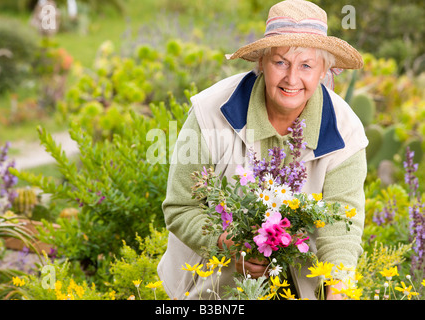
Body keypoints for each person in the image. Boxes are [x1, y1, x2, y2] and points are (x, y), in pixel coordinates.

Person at [157, 0, 367, 300]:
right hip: (213, 289)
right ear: (262, 63)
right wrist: (228, 243)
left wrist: (337, 292)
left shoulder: (346, 131)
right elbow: (181, 206)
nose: (292, 79)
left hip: (301, 288)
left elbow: (341, 229)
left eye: (306, 65)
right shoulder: (210, 112)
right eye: (281, 62)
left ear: (324, 70)